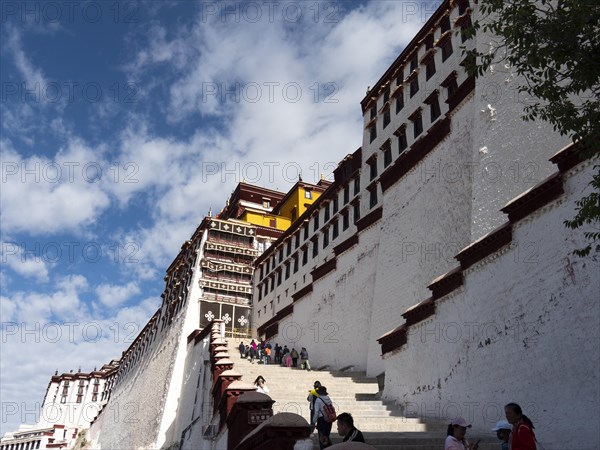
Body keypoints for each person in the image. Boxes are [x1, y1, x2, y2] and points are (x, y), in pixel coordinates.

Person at [313, 386, 333, 450]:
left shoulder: (318, 400)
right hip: (329, 420)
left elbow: (316, 412)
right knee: (327, 436)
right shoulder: (328, 399)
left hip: (321, 420)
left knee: (321, 438)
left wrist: (314, 421)